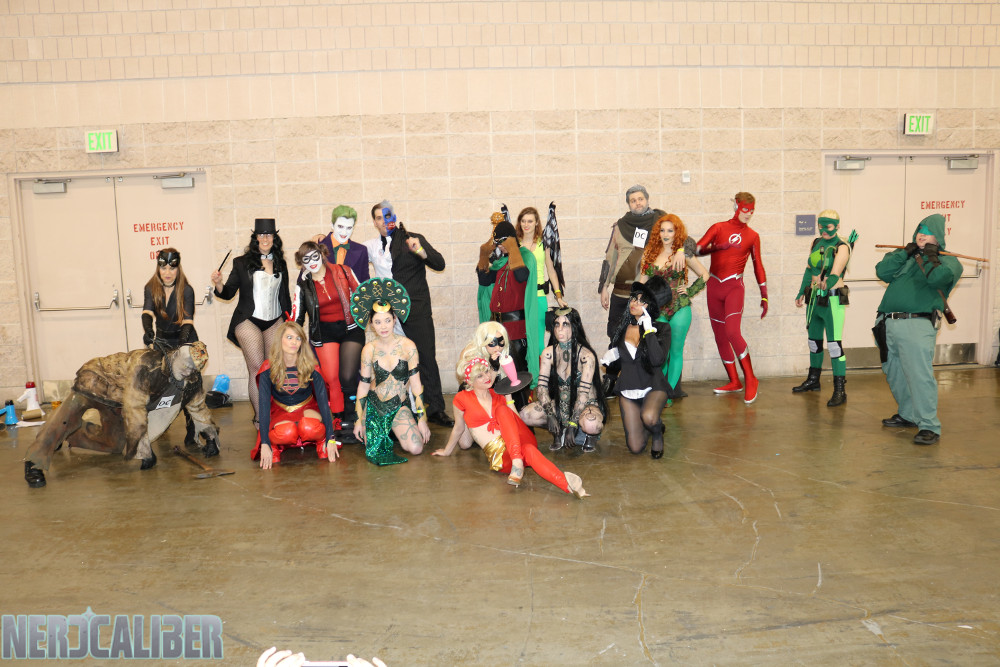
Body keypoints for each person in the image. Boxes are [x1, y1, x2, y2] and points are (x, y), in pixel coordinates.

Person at [23, 343, 219, 487]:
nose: (188, 371)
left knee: (117, 444)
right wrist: (144, 450)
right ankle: (35, 461)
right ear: (175, 357)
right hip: (95, 380)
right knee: (66, 418)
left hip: (117, 399)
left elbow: (198, 407)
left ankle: (69, 434)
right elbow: (135, 408)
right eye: (186, 365)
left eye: (193, 368)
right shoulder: (147, 366)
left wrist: (210, 436)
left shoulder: (191, 381)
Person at [432, 354, 588, 498]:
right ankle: (569, 486)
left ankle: (517, 463)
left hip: (519, 439)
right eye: (480, 376)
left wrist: (508, 398)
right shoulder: (462, 398)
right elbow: (459, 427)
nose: (487, 377)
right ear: (470, 381)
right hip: (501, 456)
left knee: (503, 410)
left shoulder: (498, 394)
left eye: (486, 371)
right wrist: (447, 451)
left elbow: (515, 420)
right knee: (529, 450)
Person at [363, 201, 453, 427]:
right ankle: (401, 407)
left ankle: (436, 408)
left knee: (426, 358)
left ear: (394, 217)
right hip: (388, 316)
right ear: (374, 222)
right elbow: (349, 252)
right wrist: (323, 240)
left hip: (416, 310)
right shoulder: (372, 246)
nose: (384, 221)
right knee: (395, 361)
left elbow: (439, 263)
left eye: (387, 216)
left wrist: (420, 250)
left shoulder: (413, 238)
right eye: (379, 218)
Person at [874, 213, 961, 446]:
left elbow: (938, 280)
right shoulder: (906, 255)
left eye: (928, 231)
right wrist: (905, 253)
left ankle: (929, 425)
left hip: (917, 324)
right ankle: (908, 414)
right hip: (887, 322)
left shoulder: (949, 261)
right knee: (893, 371)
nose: (922, 234)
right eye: (920, 230)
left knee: (919, 375)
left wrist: (931, 256)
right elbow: (882, 272)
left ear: (938, 236)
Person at [211, 218, 292, 425]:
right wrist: (219, 283)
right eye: (261, 234)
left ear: (274, 238)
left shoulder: (280, 262)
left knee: (272, 368)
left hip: (275, 319)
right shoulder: (241, 262)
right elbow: (228, 293)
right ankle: (260, 419)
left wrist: (290, 322)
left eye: (269, 234)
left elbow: (284, 296)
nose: (265, 238)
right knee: (256, 367)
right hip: (248, 319)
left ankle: (273, 413)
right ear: (255, 237)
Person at [689, 192, 768, 405]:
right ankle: (734, 381)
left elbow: (758, 266)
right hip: (714, 286)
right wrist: (718, 247)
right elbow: (697, 249)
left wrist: (765, 295)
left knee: (732, 332)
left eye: (752, 211)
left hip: (734, 287)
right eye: (745, 209)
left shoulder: (753, 236)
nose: (748, 214)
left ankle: (751, 378)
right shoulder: (718, 228)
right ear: (736, 206)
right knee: (720, 336)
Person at [140, 247, 215, 455]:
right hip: (162, 341)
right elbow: (147, 312)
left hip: (185, 338)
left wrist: (182, 347)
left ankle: (195, 429)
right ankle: (161, 425)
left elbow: (187, 321)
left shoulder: (186, 290)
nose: (167, 272)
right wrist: (148, 330)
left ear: (178, 268)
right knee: (161, 386)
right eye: (163, 267)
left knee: (191, 388)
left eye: (172, 268)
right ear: (158, 267)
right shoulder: (150, 287)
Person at [350, 277, 431, 465]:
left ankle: (394, 430)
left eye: (387, 320)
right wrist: (358, 419)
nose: (383, 326)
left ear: (394, 319)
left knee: (416, 448)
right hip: (375, 407)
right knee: (375, 452)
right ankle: (384, 430)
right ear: (371, 324)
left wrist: (422, 419)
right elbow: (363, 386)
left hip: (399, 405)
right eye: (378, 322)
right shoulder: (368, 349)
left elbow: (416, 385)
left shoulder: (408, 346)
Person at [291, 240, 362, 443]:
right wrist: (291, 338)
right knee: (331, 378)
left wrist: (378, 314)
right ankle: (338, 419)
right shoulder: (303, 285)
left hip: (351, 328)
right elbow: (297, 316)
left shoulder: (343, 271)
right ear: (301, 263)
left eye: (315, 256)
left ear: (322, 254)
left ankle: (353, 417)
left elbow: (362, 295)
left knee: (347, 375)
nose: (312, 262)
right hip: (324, 333)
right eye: (306, 259)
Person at [638, 214, 709, 403]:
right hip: (658, 309)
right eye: (662, 230)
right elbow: (642, 281)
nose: (665, 234)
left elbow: (704, 274)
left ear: (677, 232)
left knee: (676, 352)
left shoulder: (683, 253)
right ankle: (658, 392)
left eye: (670, 230)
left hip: (680, 308)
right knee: (661, 354)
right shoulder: (650, 253)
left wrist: (690, 290)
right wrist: (638, 301)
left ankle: (667, 395)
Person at [251, 321, 338, 469]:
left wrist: (330, 438)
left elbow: (324, 404)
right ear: (280, 340)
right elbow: (264, 407)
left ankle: (320, 441)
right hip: (281, 410)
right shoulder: (267, 368)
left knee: (309, 427)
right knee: (286, 432)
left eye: (298, 338)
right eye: (289, 337)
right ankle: (276, 446)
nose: (294, 342)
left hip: (307, 407)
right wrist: (265, 443)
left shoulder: (311, 366)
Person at [601, 277, 672, 458]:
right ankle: (650, 424)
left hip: (653, 386)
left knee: (649, 417)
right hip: (629, 388)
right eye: (634, 299)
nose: (635, 303)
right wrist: (613, 357)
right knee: (635, 447)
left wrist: (649, 331)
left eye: (642, 301)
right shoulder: (621, 328)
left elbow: (657, 360)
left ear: (650, 306)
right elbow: (619, 362)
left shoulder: (662, 329)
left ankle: (657, 432)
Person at [519, 307, 606, 453]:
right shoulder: (548, 353)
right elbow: (542, 387)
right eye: (557, 324)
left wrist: (573, 423)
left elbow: (583, 395)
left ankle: (587, 434)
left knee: (591, 424)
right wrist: (550, 415)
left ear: (574, 327)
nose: (560, 329)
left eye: (565, 324)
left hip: (585, 405)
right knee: (525, 415)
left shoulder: (586, 356)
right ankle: (559, 431)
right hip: (561, 405)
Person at [792, 210, 854, 407]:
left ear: (837, 226)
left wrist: (826, 284)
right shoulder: (816, 242)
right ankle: (813, 380)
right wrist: (801, 291)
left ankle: (840, 390)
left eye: (828, 226)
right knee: (814, 341)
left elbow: (835, 273)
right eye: (821, 226)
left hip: (832, 299)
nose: (824, 230)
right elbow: (809, 270)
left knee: (834, 345)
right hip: (814, 298)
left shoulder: (842, 247)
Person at [477, 217, 539, 404]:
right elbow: (484, 280)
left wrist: (513, 249)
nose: (500, 247)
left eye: (503, 242)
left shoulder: (525, 257)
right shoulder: (501, 262)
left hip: (516, 330)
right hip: (497, 328)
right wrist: (483, 255)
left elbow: (521, 276)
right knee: (498, 373)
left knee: (517, 375)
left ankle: (523, 412)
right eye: (497, 243)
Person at [598, 185, 668, 337]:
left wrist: (681, 252)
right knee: (615, 334)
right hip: (620, 292)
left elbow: (678, 242)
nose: (638, 203)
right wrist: (604, 287)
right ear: (628, 204)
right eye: (633, 200)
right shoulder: (620, 226)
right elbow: (610, 258)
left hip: (646, 294)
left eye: (640, 199)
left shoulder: (661, 224)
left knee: (645, 337)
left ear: (647, 200)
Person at [515, 204, 568, 348]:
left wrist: (558, 296)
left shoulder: (543, 244)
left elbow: (551, 271)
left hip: (538, 296)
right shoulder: (514, 245)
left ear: (536, 222)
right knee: (521, 339)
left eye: (530, 221)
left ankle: (539, 364)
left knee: (538, 339)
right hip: (519, 297)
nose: (526, 224)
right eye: (523, 221)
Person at [313, 204, 370, 283]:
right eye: (340, 226)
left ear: (353, 228)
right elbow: (304, 282)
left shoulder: (361, 250)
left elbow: (364, 283)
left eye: (349, 228)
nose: (344, 232)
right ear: (332, 225)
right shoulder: (316, 247)